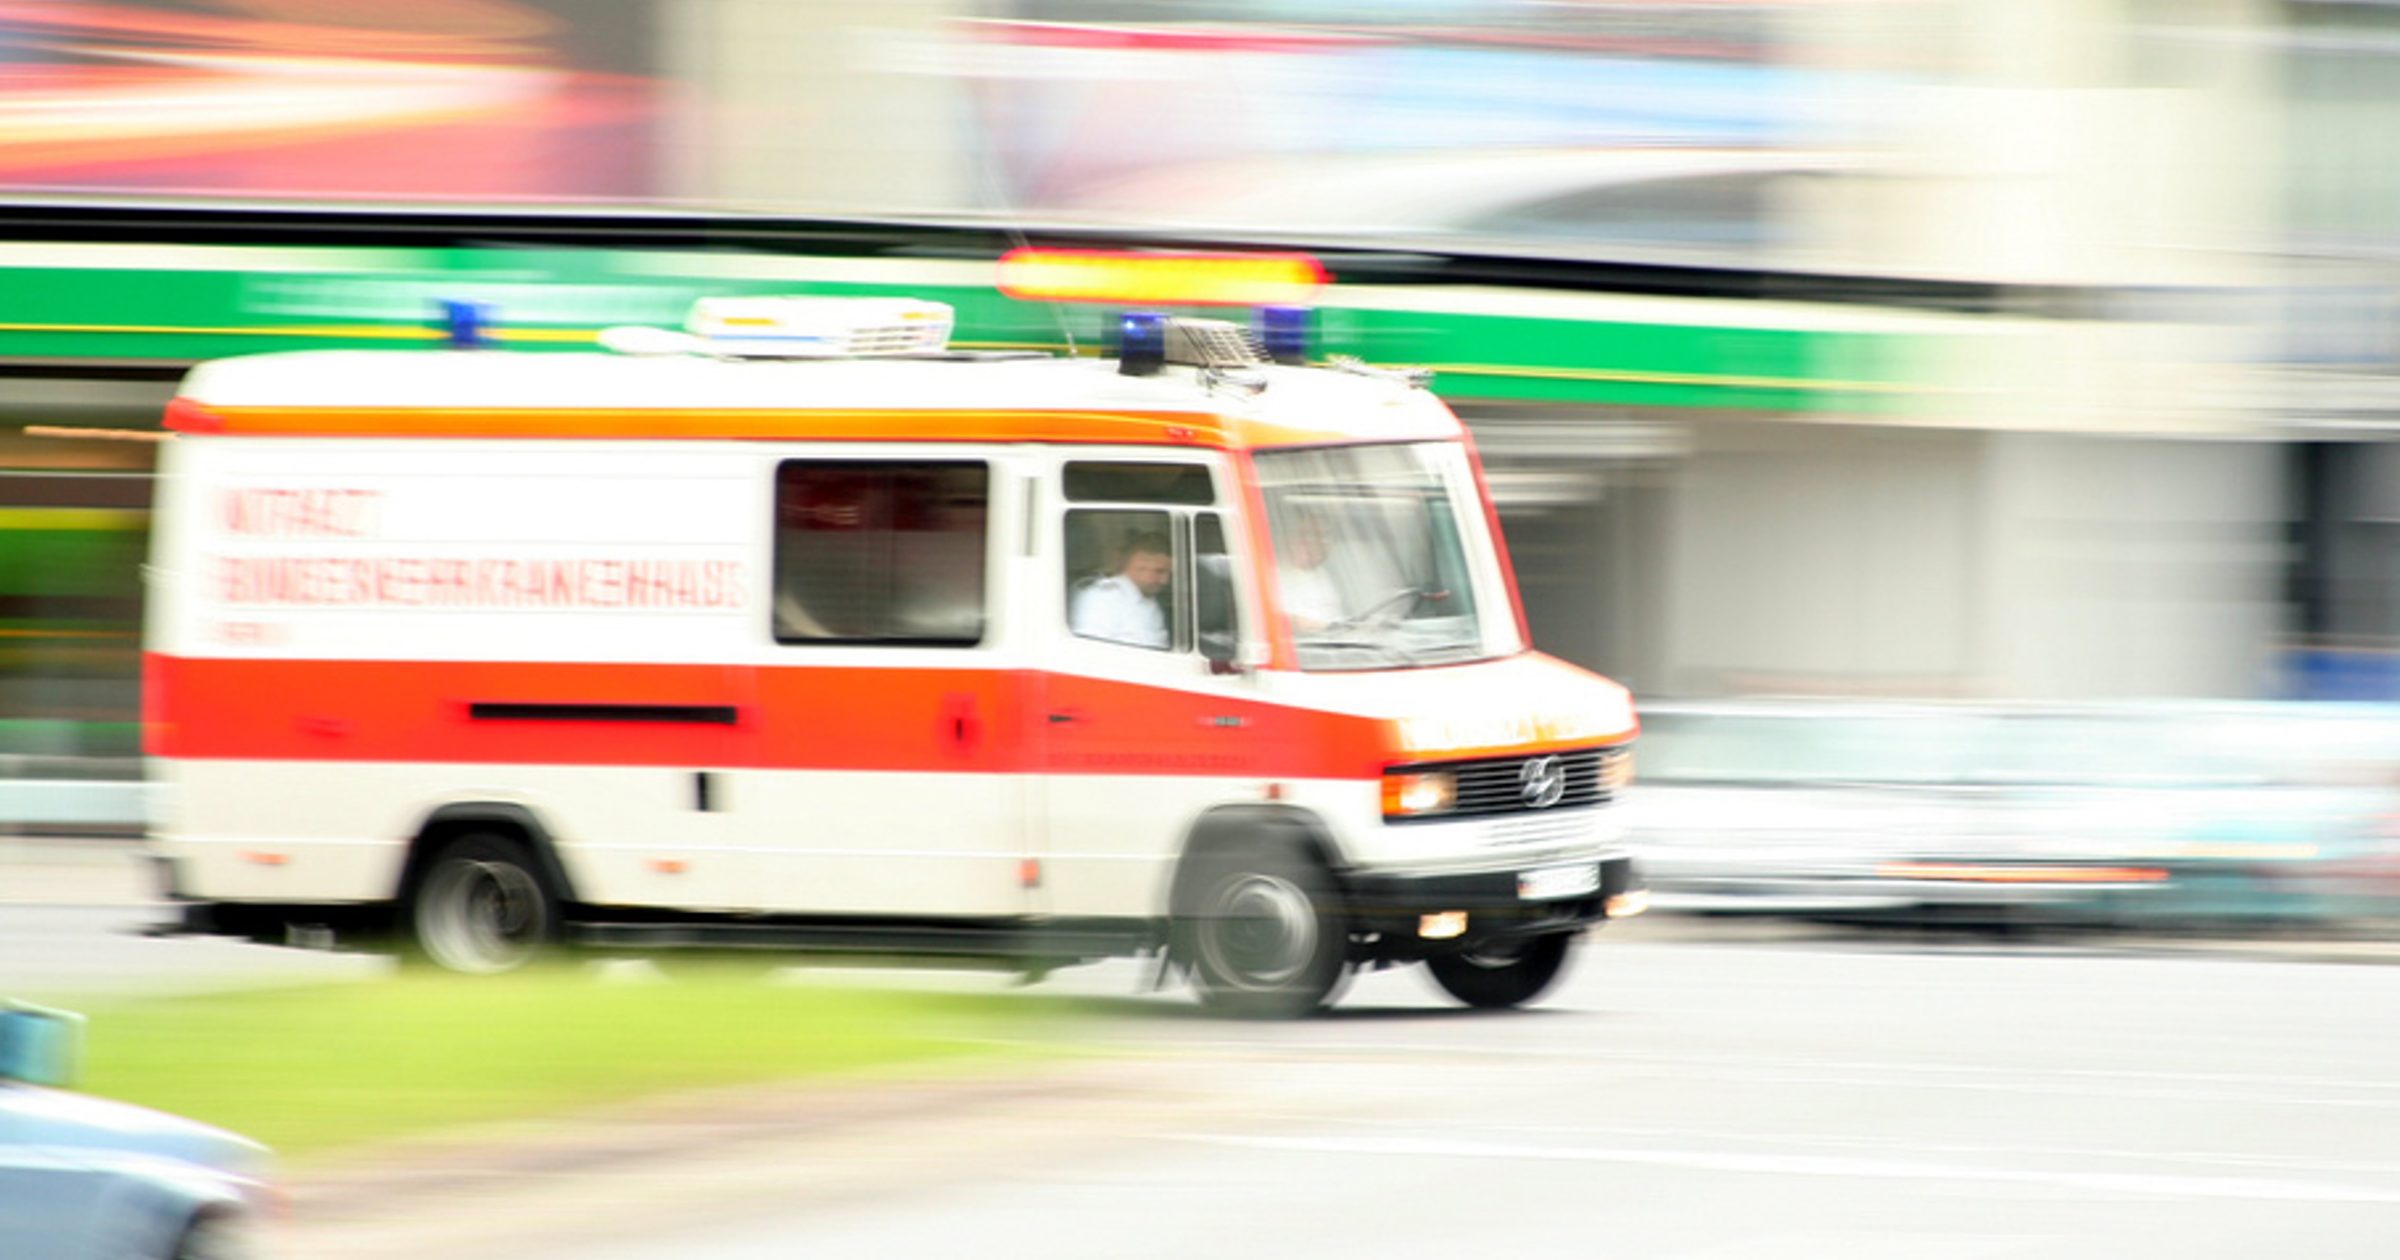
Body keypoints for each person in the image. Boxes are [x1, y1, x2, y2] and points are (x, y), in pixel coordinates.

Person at [1069, 530, 1170, 648]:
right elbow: (1089, 653)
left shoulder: (1149, 601)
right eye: (1160, 572)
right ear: (1141, 566)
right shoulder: (1103, 599)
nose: (1165, 581)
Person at [1276, 511, 1345, 634]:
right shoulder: (1271, 576)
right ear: (1289, 537)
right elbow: (1274, 619)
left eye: (1323, 537)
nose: (1312, 543)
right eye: (1308, 535)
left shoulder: (1323, 575)